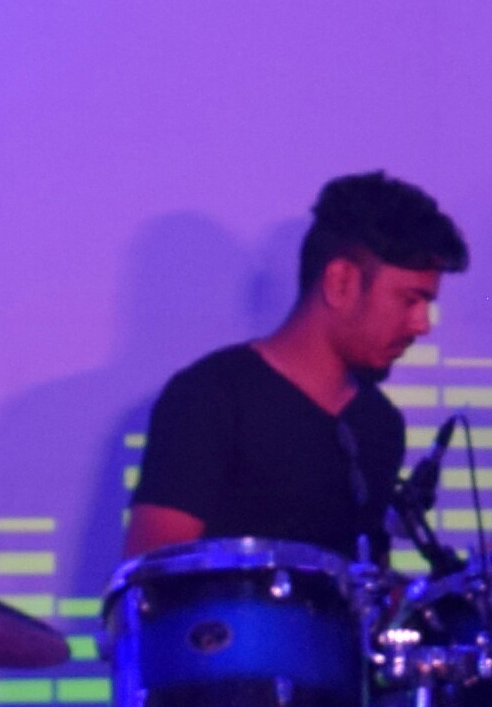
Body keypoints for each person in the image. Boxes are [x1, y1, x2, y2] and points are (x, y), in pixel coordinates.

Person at [120, 172, 466, 566]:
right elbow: (151, 575)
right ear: (341, 282)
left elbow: (369, 582)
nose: (422, 324)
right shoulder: (211, 397)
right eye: (410, 300)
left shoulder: (379, 424)